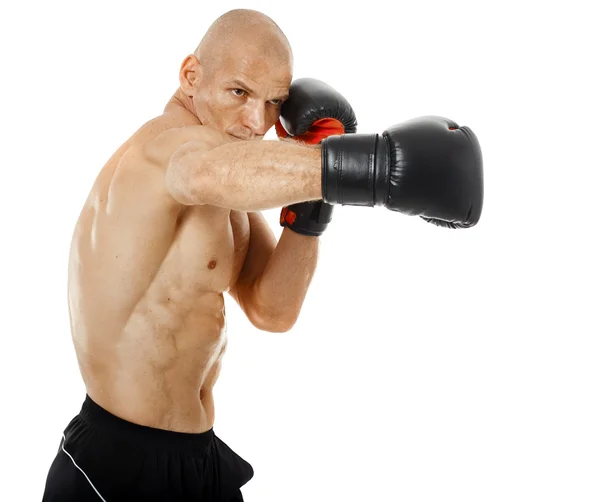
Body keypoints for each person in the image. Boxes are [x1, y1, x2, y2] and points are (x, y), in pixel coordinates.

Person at [42, 8, 483, 502]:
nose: (257, 121)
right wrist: (370, 166)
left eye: (274, 102)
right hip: (115, 468)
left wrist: (312, 202)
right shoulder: (163, 151)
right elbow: (201, 173)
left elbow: (272, 309)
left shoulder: (228, 183)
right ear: (191, 76)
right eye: (239, 92)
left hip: (197, 459)